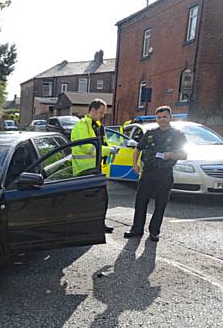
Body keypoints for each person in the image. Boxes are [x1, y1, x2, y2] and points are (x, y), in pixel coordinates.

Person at [124, 106, 187, 242]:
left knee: (160, 204)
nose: (161, 120)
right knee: (141, 201)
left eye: (164, 117)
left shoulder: (177, 135)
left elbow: (184, 155)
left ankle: (154, 232)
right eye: (159, 117)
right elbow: (137, 149)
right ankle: (137, 229)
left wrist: (172, 155)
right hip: (148, 172)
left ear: (170, 117)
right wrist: (135, 164)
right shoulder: (150, 133)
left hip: (164, 173)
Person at [70, 98, 118, 233]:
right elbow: (88, 148)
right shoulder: (82, 125)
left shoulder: (97, 126)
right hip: (85, 169)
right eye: (101, 112)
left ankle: (98, 224)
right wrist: (109, 150)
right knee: (89, 201)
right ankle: (87, 227)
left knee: (101, 199)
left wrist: (111, 150)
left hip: (97, 169)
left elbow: (103, 144)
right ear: (93, 110)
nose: (103, 115)